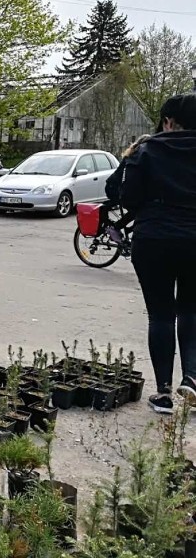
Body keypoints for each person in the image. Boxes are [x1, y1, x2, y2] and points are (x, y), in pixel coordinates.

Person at [120, 94, 196, 413]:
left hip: (153, 239)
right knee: (192, 310)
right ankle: (191, 377)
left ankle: (163, 392)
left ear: (167, 122)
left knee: (161, 314)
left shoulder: (147, 150)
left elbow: (128, 197)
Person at [103, 135, 151, 244]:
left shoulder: (136, 155)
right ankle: (115, 228)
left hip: (120, 187)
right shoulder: (133, 157)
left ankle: (127, 232)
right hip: (113, 188)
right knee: (136, 210)